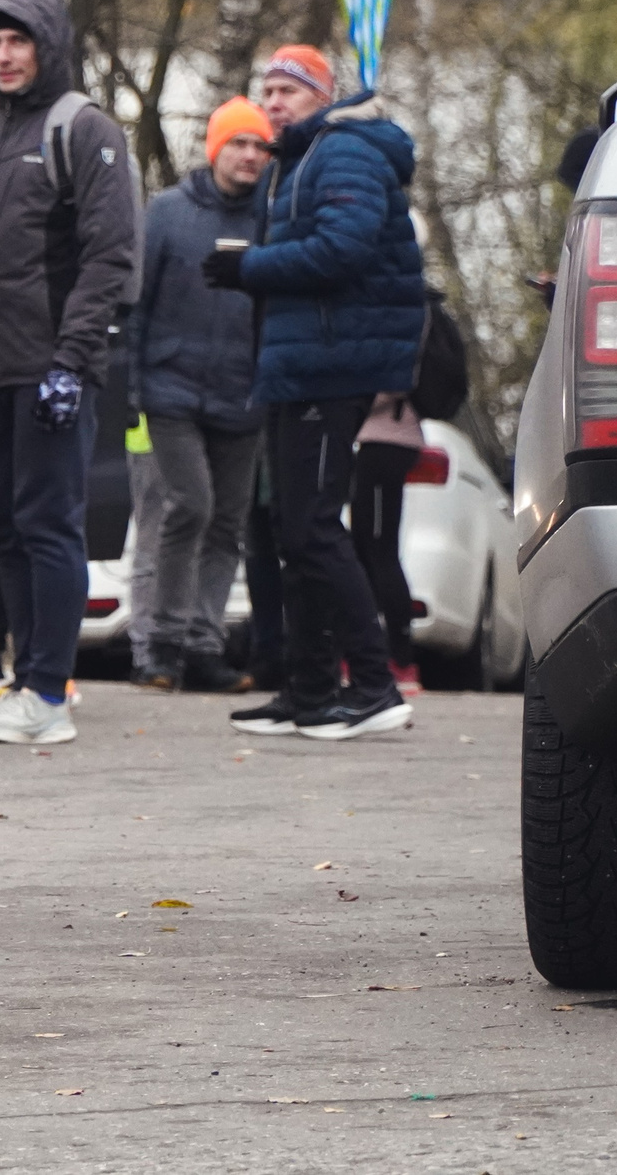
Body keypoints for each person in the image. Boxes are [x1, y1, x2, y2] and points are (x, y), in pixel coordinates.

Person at [0, 0, 136, 747]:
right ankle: (25, 685)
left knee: (50, 525)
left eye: (19, 41)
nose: (4, 56)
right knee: (4, 526)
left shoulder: (83, 131)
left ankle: (49, 690)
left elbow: (110, 257)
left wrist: (72, 362)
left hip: (51, 369)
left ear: (48, 45)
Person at [206, 44, 424, 741]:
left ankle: (373, 683)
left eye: (288, 90)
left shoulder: (345, 150)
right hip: (302, 363)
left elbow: (345, 248)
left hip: (334, 365)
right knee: (290, 534)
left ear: (323, 95)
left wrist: (250, 267)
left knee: (314, 529)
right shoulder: (299, 159)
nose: (273, 102)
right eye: (266, 88)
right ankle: (307, 691)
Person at [126, 96, 270, 692]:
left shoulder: (272, 221)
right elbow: (137, 302)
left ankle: (203, 647)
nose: (250, 156)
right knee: (190, 505)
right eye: (239, 143)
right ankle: (161, 643)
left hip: (243, 396)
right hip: (171, 390)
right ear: (215, 148)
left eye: (261, 146)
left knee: (227, 522)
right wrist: (132, 382)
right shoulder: (166, 212)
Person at [350, 389, 425, 690]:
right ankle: (367, 654)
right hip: (382, 441)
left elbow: (395, 381)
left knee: (380, 551)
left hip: (388, 441)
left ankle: (401, 662)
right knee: (364, 548)